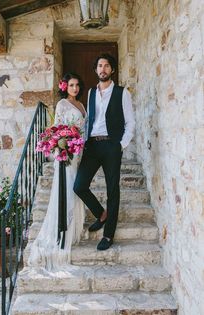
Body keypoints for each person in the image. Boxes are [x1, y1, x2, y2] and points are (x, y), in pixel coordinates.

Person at [74, 53, 135, 251]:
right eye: (100, 66)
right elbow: (89, 119)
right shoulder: (91, 92)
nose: (103, 69)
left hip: (111, 146)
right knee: (79, 185)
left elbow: (130, 122)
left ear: (112, 70)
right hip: (92, 145)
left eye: (107, 66)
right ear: (96, 70)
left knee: (112, 191)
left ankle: (108, 235)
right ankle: (101, 213)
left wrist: (121, 145)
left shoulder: (122, 92)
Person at [28, 73, 87, 271]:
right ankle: (62, 229)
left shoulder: (81, 105)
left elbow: (83, 130)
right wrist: (62, 146)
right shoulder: (62, 104)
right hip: (66, 153)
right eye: (71, 85)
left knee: (77, 187)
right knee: (68, 188)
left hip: (78, 153)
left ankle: (73, 227)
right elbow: (56, 129)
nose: (75, 88)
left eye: (77, 85)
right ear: (65, 87)